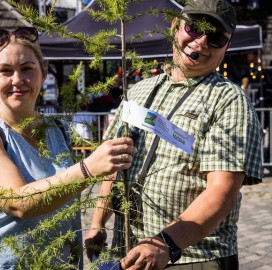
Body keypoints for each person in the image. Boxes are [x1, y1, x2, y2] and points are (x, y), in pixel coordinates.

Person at [85, 0, 262, 269]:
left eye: (215, 37)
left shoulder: (228, 100)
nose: (201, 42)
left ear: (226, 46)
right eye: (194, 28)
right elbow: (114, 165)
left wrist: (165, 244)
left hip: (192, 257)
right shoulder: (140, 91)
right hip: (128, 251)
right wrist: (98, 223)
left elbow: (222, 191)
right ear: (175, 27)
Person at [0, 26, 136, 269]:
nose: (17, 80)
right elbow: (17, 202)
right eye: (5, 71)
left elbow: (103, 170)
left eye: (27, 69)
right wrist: (88, 169)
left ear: (43, 73)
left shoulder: (60, 130)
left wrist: (97, 222)